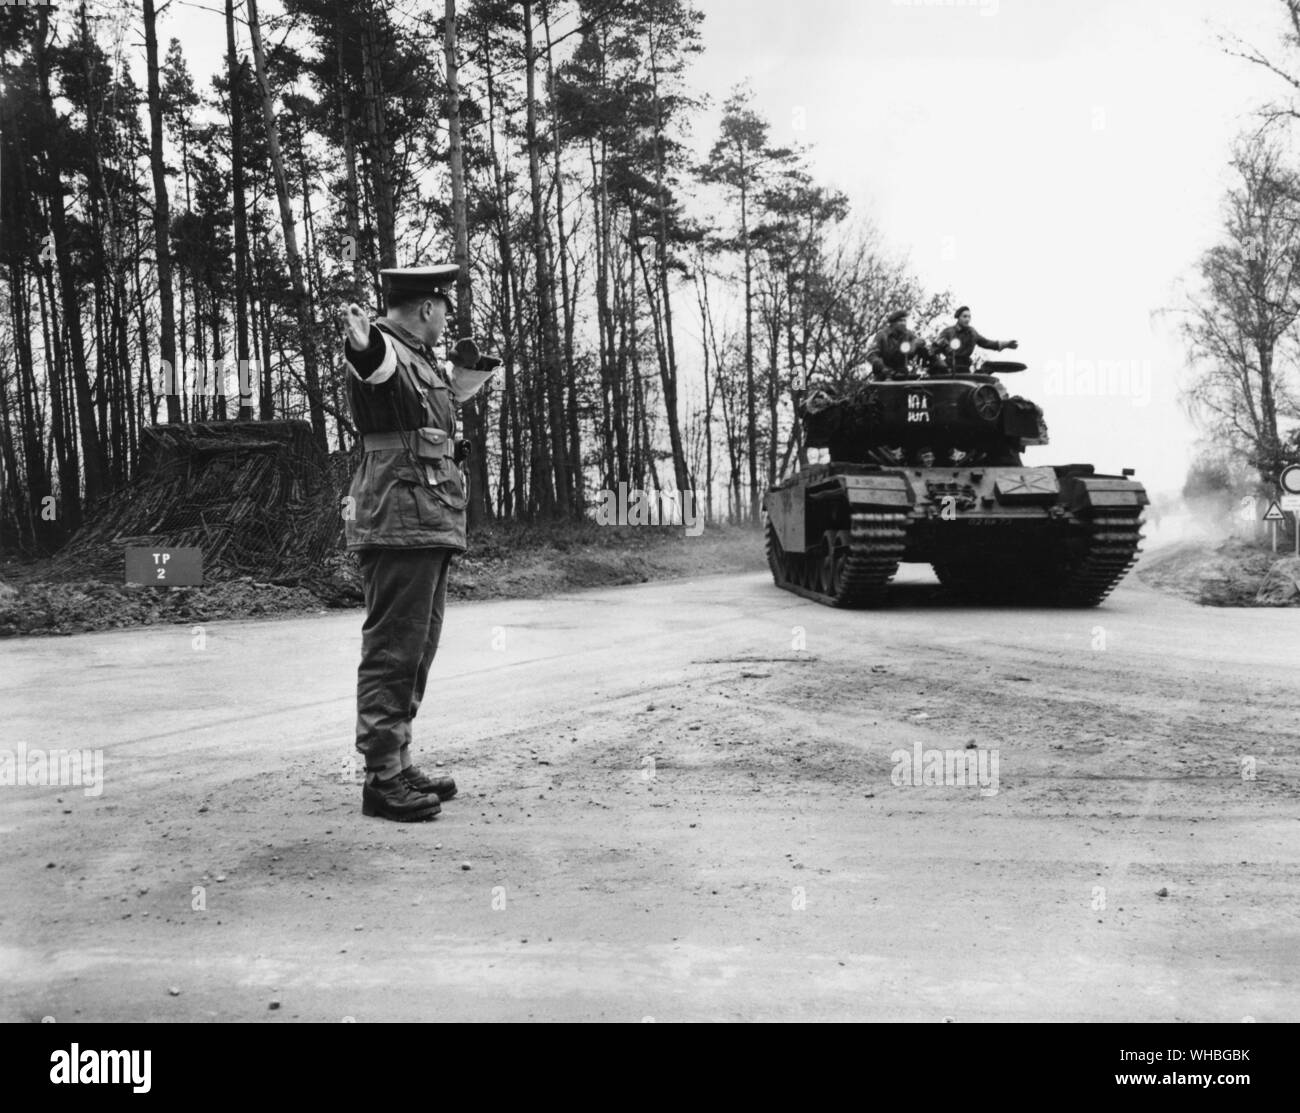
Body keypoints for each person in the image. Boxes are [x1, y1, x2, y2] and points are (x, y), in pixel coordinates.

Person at [340, 264, 496, 822]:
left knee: (418, 645)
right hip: (399, 517)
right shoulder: (385, 348)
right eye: (444, 310)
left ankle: (398, 759)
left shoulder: (421, 359)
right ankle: (381, 779)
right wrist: (361, 345)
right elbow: (371, 365)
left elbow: (440, 399)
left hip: (426, 517)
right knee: (393, 648)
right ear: (427, 308)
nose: (447, 319)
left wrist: (472, 372)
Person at [932, 306, 1018, 374]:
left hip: (965, 367)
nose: (967, 319)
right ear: (958, 318)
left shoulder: (972, 333)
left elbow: (986, 343)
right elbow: (935, 346)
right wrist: (943, 352)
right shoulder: (948, 331)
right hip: (948, 367)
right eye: (964, 316)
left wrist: (1006, 344)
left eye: (969, 317)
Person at [866, 309, 929, 380]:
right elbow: (871, 354)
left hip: (902, 374)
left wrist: (917, 344)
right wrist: (882, 367)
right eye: (900, 321)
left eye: (905, 321)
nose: (903, 323)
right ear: (893, 323)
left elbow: (920, 342)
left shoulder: (907, 334)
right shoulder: (882, 335)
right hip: (884, 375)